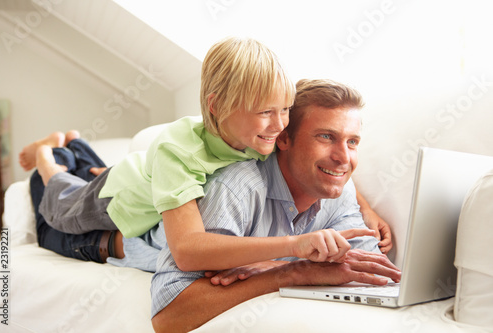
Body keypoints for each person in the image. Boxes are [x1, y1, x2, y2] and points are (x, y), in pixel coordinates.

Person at [20, 37, 391, 269]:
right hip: (117, 199)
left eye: (285, 110)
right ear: (217, 106)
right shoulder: (178, 154)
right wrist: (291, 249)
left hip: (142, 177)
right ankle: (49, 153)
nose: (280, 126)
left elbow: (328, 164)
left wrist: (366, 207)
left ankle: (77, 148)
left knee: (100, 171)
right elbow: (187, 249)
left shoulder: (258, 136)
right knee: (59, 204)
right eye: (266, 111)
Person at [114, 78, 400, 332]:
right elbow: (168, 317)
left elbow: (373, 273)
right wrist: (293, 271)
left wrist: (272, 264)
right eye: (326, 137)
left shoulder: (341, 192)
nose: (343, 158)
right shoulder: (237, 188)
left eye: (352, 142)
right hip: (117, 219)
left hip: (147, 194)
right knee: (74, 203)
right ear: (284, 138)